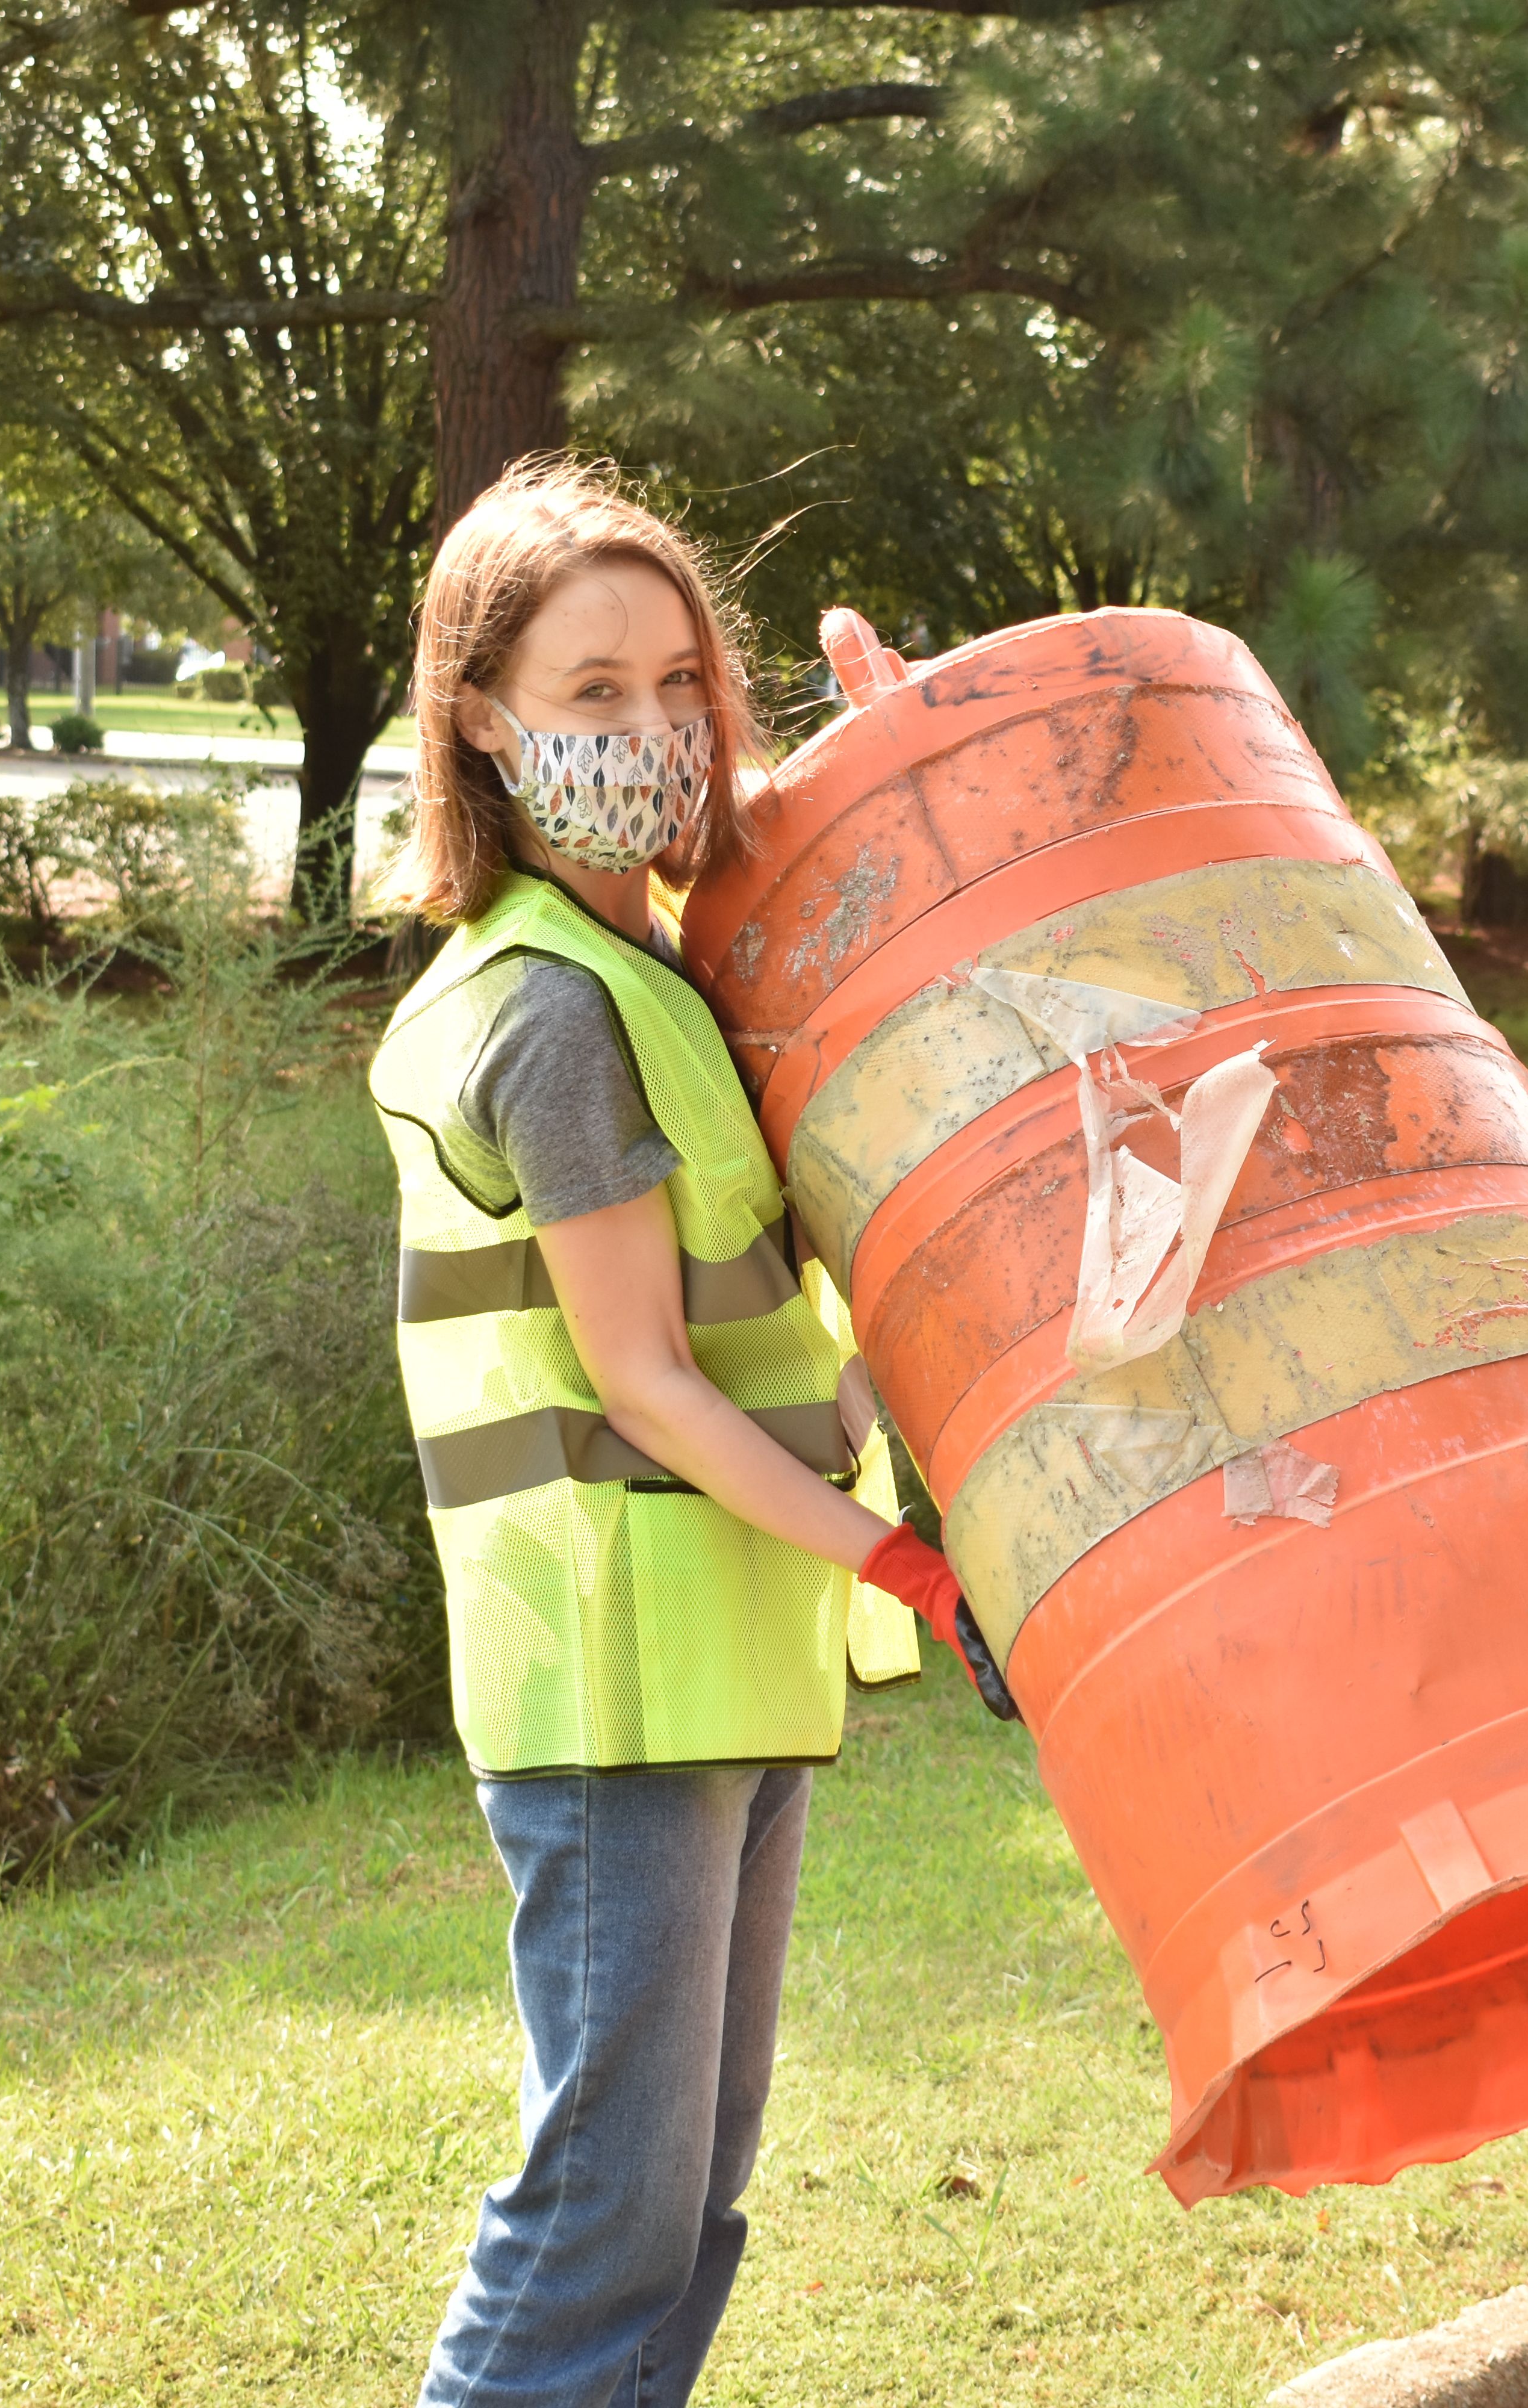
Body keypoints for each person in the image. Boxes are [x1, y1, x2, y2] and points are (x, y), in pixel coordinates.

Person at [373, 459, 1002, 2408]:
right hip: (612, 1677)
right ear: (478, 716)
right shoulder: (554, 1012)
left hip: (722, 1650)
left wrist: (907, 760)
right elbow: (643, 1375)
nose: (650, 734)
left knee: (690, 2203)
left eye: (677, 686)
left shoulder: (659, 965)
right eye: (589, 696)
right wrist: (911, 1565)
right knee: (604, 2212)